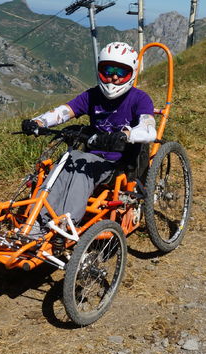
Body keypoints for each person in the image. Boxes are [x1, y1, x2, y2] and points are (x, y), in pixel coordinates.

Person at [21, 42, 157, 231]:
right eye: (108, 70)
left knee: (83, 163)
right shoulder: (92, 95)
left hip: (119, 164)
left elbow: (149, 129)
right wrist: (39, 122)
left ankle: (67, 223)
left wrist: (125, 135)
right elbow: (65, 111)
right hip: (91, 155)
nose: (114, 76)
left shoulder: (140, 98)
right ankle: (40, 219)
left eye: (121, 72)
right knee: (66, 160)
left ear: (131, 73)